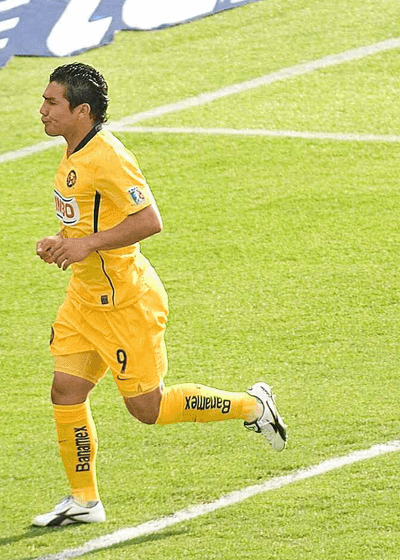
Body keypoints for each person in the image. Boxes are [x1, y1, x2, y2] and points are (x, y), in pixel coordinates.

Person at [32, 62, 287, 527]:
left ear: (81, 111)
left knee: (146, 410)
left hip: (126, 304)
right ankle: (84, 500)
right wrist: (63, 241)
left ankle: (253, 405)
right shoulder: (73, 154)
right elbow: (90, 219)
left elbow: (149, 220)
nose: (42, 110)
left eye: (52, 102)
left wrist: (84, 244)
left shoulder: (107, 156)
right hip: (85, 299)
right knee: (65, 390)